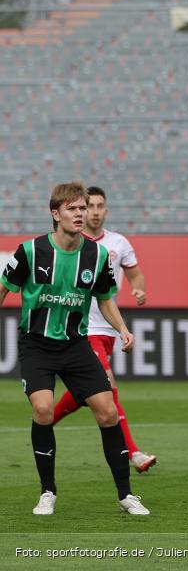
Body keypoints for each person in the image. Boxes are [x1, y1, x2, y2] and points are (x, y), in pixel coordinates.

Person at [0, 181, 149, 515]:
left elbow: (105, 299)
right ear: (56, 214)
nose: (80, 214)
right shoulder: (30, 251)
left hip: (75, 345)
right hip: (37, 344)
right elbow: (4, 289)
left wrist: (122, 328)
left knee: (108, 412)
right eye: (73, 209)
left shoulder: (97, 255)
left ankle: (126, 495)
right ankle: (47, 492)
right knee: (43, 409)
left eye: (83, 208)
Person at [51, 186, 157, 473]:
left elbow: (136, 275)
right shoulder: (71, 241)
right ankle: (133, 453)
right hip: (83, 329)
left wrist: (138, 290)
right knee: (107, 387)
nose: (95, 212)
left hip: (107, 328)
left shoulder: (118, 243)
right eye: (91, 206)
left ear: (106, 210)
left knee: (86, 390)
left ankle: (44, 421)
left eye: (100, 206)